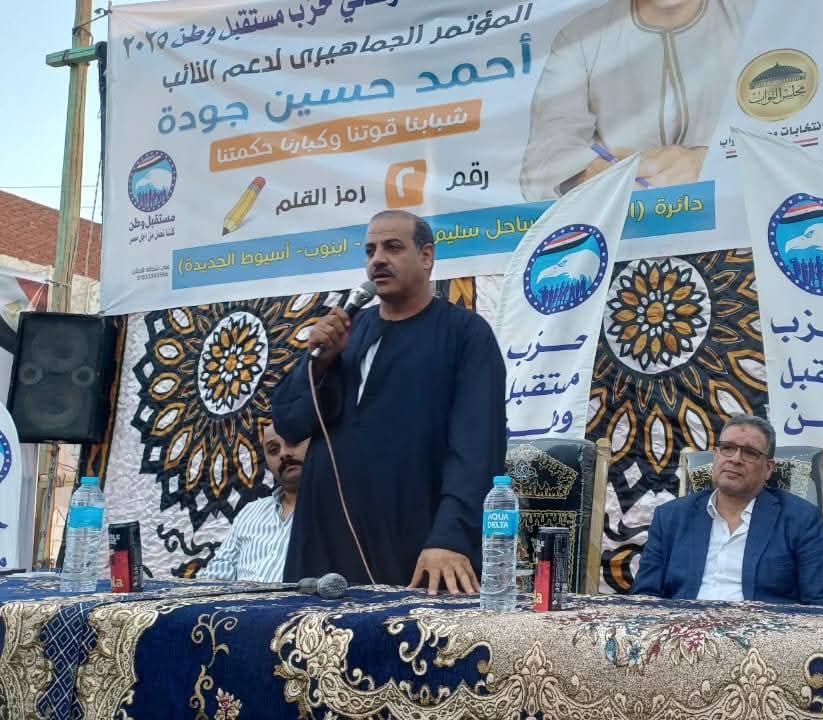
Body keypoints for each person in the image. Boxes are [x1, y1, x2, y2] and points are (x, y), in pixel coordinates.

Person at [271, 209, 506, 592]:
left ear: (426, 256)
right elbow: (290, 422)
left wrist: (451, 537)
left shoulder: (464, 334)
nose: (377, 259)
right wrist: (318, 363)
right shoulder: (348, 332)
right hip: (323, 545)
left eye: (392, 247)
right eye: (370, 251)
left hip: (416, 544)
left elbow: (478, 448)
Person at [519, 0, 756, 200]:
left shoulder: (758, 15)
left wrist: (710, 162)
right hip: (625, 228)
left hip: (738, 222)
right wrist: (590, 175)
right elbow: (542, 164)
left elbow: (776, 140)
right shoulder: (581, 37)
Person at [632, 414, 823, 607]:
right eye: (727, 448)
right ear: (716, 456)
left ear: (768, 468)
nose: (735, 459)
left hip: (763, 634)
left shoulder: (800, 519)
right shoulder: (670, 517)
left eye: (750, 453)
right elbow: (644, 599)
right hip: (683, 631)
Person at [199, 422, 309, 582]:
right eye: (273, 450)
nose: (284, 454)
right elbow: (214, 578)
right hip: (241, 598)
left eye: (293, 442)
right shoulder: (250, 513)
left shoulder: (337, 510)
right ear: (267, 463)